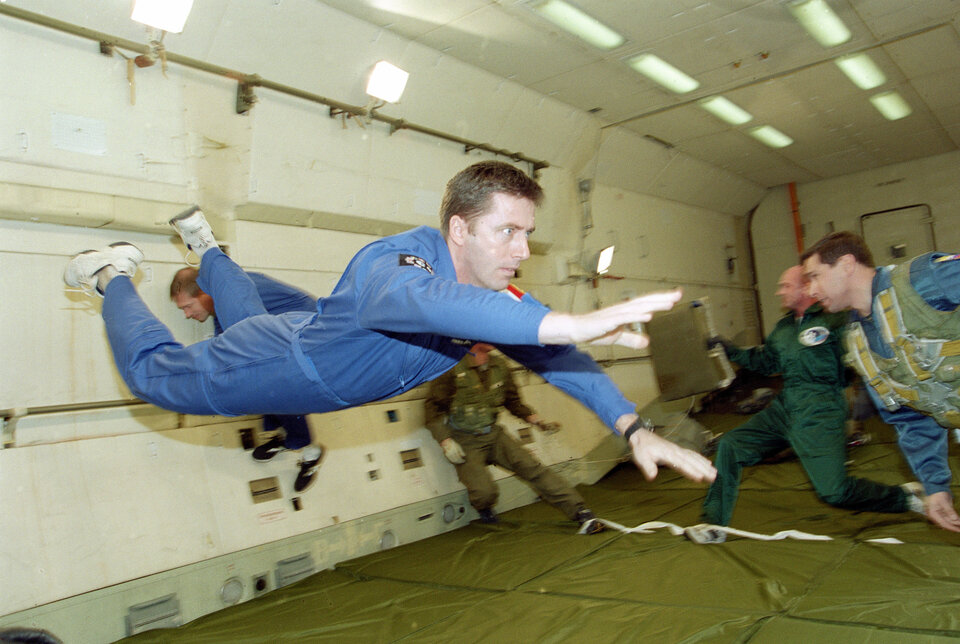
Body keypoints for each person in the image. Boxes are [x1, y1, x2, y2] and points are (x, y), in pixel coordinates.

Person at [61, 161, 716, 485]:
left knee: (245, 315)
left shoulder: (500, 296)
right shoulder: (396, 261)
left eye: (528, 234)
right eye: (507, 232)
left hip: (307, 337)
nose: (521, 250)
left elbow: (565, 363)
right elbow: (415, 304)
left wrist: (630, 428)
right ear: (459, 229)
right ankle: (111, 274)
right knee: (155, 376)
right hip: (298, 368)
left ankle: (207, 248)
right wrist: (557, 325)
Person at [685, 265, 920, 544]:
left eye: (785, 286)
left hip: (821, 409)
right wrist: (730, 349)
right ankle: (714, 525)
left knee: (834, 491)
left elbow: (864, 350)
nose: (779, 291)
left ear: (805, 288)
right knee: (730, 446)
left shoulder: (834, 320)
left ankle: (904, 499)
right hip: (786, 406)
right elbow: (767, 362)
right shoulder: (783, 329)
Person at [802, 231, 960, 532]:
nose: (810, 290)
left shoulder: (923, 281)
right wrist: (935, 486)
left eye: (815, 276)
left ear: (847, 264)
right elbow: (911, 417)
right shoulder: (859, 342)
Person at [169, 267, 324, 492]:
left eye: (187, 307)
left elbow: (228, 354)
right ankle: (286, 435)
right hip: (292, 336)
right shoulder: (223, 292)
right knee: (253, 377)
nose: (186, 314)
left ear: (203, 294)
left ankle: (310, 451)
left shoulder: (231, 295)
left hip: (315, 338)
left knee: (268, 380)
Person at [425, 342, 604, 534]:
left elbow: (512, 401)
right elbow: (431, 408)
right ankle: (484, 508)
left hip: (494, 435)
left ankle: (581, 512)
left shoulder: (500, 366)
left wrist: (536, 420)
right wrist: (445, 441)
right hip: (464, 440)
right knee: (484, 493)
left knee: (533, 469)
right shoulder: (451, 367)